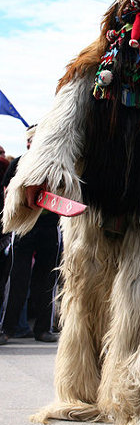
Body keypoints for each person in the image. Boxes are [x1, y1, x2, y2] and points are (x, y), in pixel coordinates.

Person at [2, 0, 140, 425]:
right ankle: (81, 392)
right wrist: (45, 171)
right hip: (92, 215)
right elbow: (61, 126)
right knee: (85, 303)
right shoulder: (88, 78)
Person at [0, 125, 60, 344]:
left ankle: (43, 329)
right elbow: (7, 193)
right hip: (24, 226)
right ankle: (6, 329)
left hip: (49, 226)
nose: (30, 145)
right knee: (16, 279)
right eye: (28, 142)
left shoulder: (57, 164)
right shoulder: (18, 163)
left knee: (47, 279)